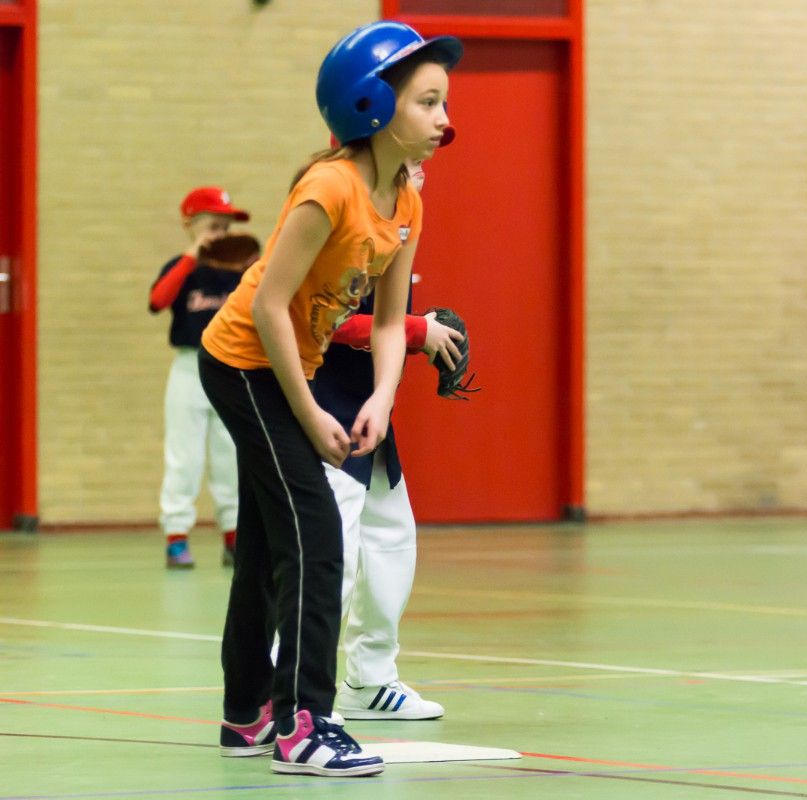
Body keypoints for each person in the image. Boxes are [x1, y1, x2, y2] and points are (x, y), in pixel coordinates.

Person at [198, 21, 461, 777]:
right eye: (428, 102)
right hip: (242, 365)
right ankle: (304, 725)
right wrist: (312, 413)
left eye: (444, 103)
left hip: (286, 368)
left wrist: (381, 397)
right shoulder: (329, 189)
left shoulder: (405, 202)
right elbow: (266, 308)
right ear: (370, 105)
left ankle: (246, 713)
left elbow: (388, 321)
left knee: (266, 544)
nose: (445, 120)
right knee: (317, 535)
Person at [313, 158, 460, 721]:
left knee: (392, 540)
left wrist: (416, 332)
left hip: (367, 412)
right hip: (321, 411)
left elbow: (385, 322)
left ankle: (370, 680)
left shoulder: (399, 224)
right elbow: (319, 318)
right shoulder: (335, 217)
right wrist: (420, 329)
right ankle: (294, 689)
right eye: (409, 159)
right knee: (330, 552)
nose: (421, 170)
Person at [148, 187, 250, 569]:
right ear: (190, 225)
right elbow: (158, 301)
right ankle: (176, 536)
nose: (220, 234)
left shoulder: (239, 271)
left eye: (225, 228)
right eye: (212, 226)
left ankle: (234, 535)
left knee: (231, 456)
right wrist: (192, 255)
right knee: (184, 456)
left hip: (230, 368)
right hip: (189, 368)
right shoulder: (182, 267)